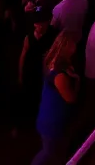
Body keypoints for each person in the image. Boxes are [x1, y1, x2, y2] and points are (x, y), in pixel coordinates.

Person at [32, 32, 79, 165]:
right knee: (50, 154)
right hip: (53, 122)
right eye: (73, 43)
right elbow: (70, 98)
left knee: (49, 152)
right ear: (67, 46)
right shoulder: (60, 75)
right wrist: (77, 81)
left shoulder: (51, 61)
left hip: (47, 115)